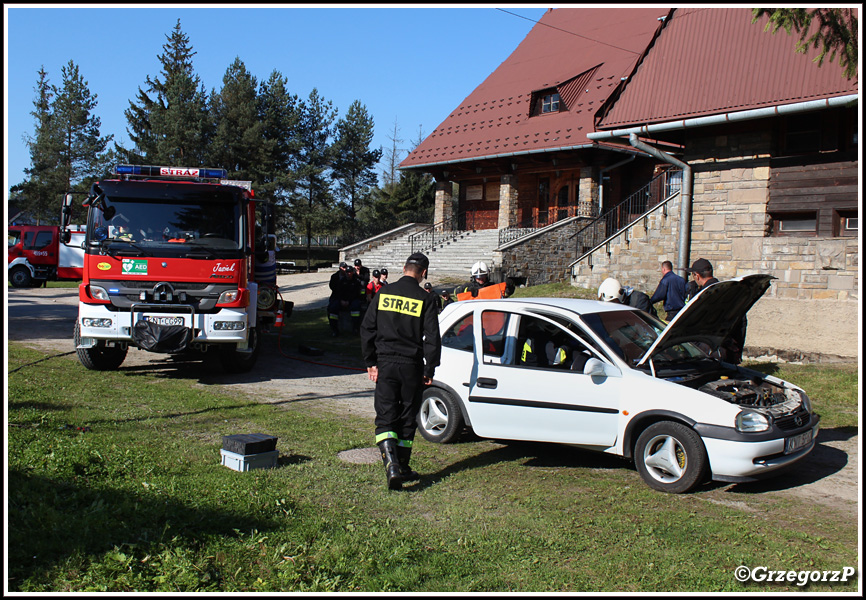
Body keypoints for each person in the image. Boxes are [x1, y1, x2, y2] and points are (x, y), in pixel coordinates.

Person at [360, 252, 441, 490]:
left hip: (385, 363)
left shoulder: (384, 293)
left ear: (404, 268)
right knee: (407, 415)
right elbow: (433, 338)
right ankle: (402, 466)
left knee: (386, 415)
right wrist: (430, 367)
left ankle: (392, 465)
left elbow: (367, 329)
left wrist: (371, 361)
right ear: (423, 272)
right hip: (411, 365)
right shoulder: (425, 299)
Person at [685, 258, 747, 364]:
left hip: (711, 354)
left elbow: (698, 327)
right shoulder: (728, 290)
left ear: (697, 275)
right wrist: (737, 349)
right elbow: (742, 321)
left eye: (693, 275)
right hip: (731, 350)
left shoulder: (705, 296)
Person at [328, 262, 364, 336]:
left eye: (350, 272)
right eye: (347, 272)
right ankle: (334, 330)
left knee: (356, 308)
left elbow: (356, 293)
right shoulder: (341, 281)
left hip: (352, 300)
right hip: (341, 300)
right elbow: (338, 291)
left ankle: (355, 328)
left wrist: (349, 301)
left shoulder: (356, 281)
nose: (348, 274)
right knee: (333, 308)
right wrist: (341, 300)